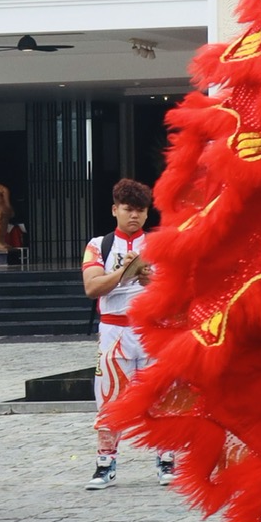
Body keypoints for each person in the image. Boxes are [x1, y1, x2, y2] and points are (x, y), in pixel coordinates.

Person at [82, 180, 172, 489]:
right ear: (114, 210)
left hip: (150, 328)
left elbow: (175, 293)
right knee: (110, 398)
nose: (133, 216)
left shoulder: (159, 245)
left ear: (147, 214)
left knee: (160, 396)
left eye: (140, 210)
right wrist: (123, 273)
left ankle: (166, 458)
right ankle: (105, 463)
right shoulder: (99, 245)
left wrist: (149, 281)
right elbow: (92, 287)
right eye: (127, 209)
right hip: (114, 329)